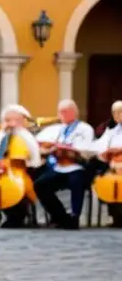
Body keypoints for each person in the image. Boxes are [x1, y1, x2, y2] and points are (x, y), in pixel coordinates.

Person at [34, 99, 96, 230]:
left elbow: (86, 149)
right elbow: (37, 144)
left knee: (76, 181)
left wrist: (68, 148)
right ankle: (60, 216)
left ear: (74, 112)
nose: (61, 115)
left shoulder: (85, 129)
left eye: (64, 112)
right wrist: (49, 149)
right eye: (59, 112)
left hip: (78, 167)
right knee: (40, 184)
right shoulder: (55, 129)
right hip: (58, 167)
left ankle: (74, 217)